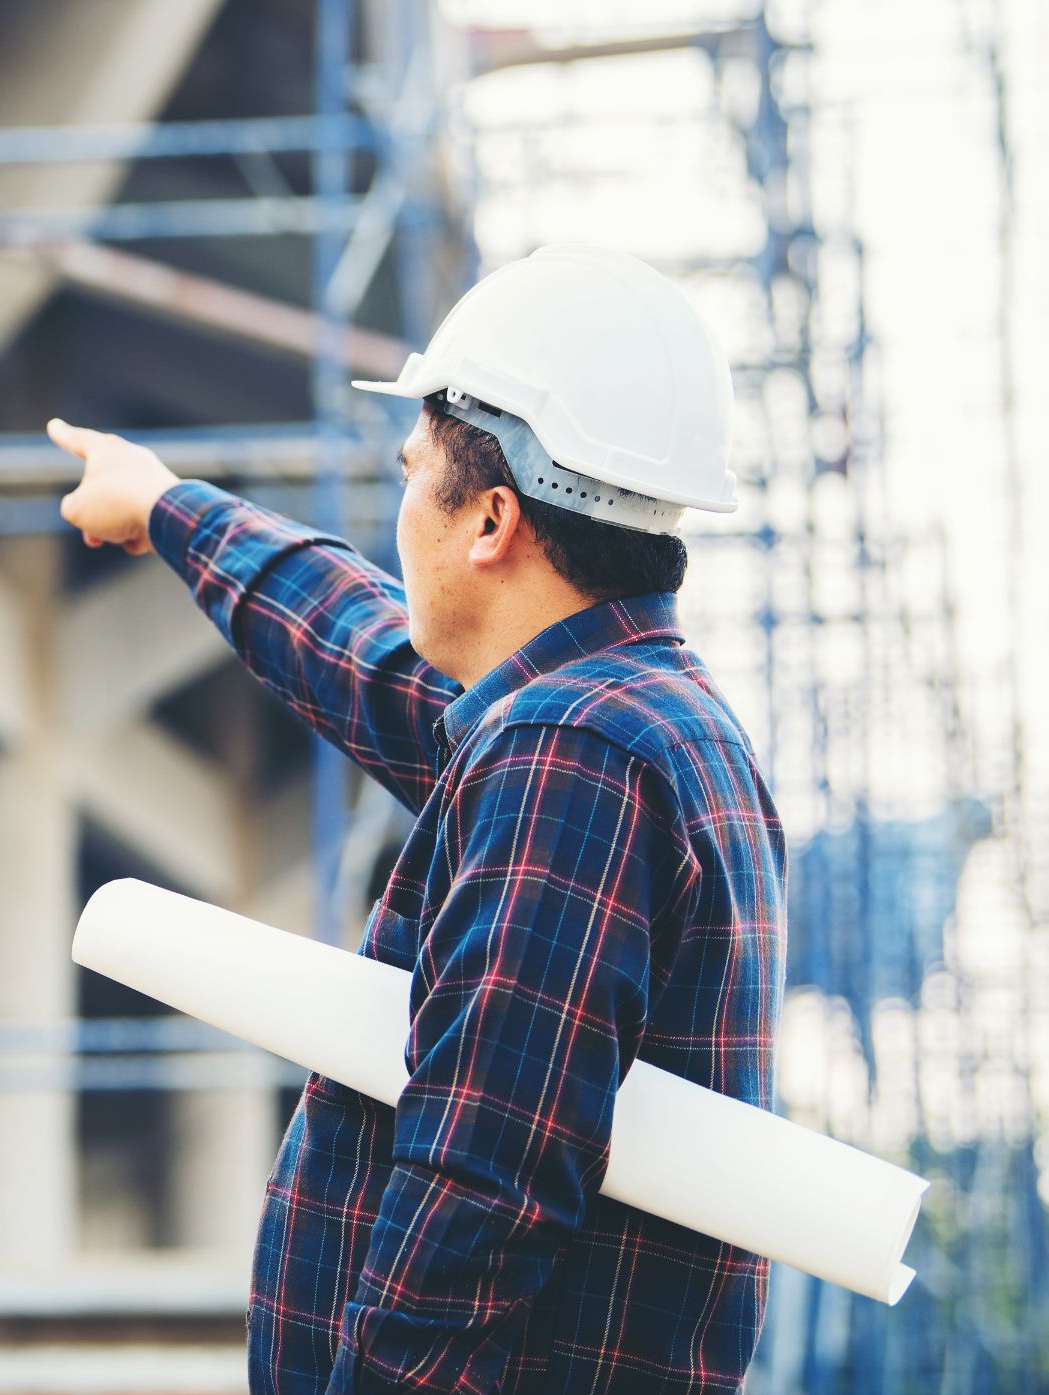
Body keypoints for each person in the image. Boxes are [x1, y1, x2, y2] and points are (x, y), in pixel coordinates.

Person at [49, 244, 786, 1394]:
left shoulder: (569, 754)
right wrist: (166, 507)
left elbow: (480, 1186)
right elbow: (365, 650)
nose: (396, 510)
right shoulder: (627, 714)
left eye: (407, 472)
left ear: (487, 519)